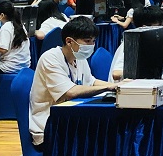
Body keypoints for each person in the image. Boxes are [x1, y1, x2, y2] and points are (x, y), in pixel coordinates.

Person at [29, 17, 115, 147]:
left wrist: (118, 86)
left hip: (71, 120)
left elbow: (91, 82)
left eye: (93, 41)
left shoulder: (79, 57)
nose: (91, 45)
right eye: (87, 41)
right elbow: (70, 92)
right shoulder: (50, 58)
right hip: (49, 127)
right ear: (69, 41)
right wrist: (108, 88)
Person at [110, 6, 163, 80]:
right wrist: (144, 72)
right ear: (144, 27)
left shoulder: (150, 42)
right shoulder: (131, 44)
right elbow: (116, 74)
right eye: (158, 26)